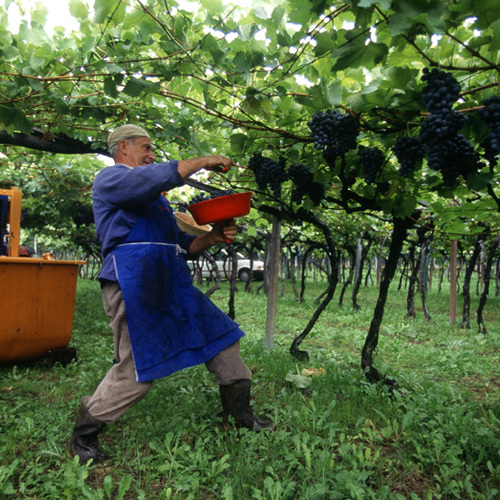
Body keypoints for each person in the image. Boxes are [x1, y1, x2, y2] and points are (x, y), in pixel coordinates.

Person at [67, 124, 272, 465]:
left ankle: (240, 414)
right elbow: (155, 178)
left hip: (172, 282)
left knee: (221, 337)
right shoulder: (112, 180)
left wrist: (214, 236)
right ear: (123, 148)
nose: (150, 155)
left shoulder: (158, 203)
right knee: (138, 367)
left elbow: (183, 246)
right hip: (134, 283)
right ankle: (84, 435)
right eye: (145, 148)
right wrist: (204, 161)